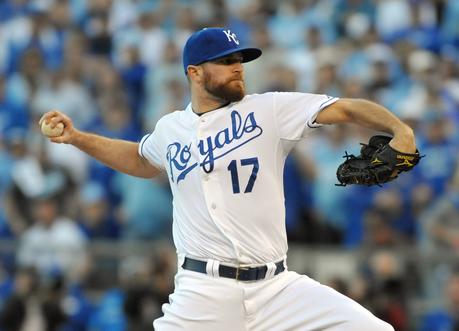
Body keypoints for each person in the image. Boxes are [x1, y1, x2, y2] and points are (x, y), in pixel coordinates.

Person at [39, 27, 417, 330]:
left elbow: (347, 108)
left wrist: (399, 129)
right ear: (195, 71)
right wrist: (77, 137)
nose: (238, 66)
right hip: (204, 293)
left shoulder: (269, 109)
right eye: (225, 61)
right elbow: (141, 159)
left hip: (277, 289)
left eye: (240, 59)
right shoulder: (171, 129)